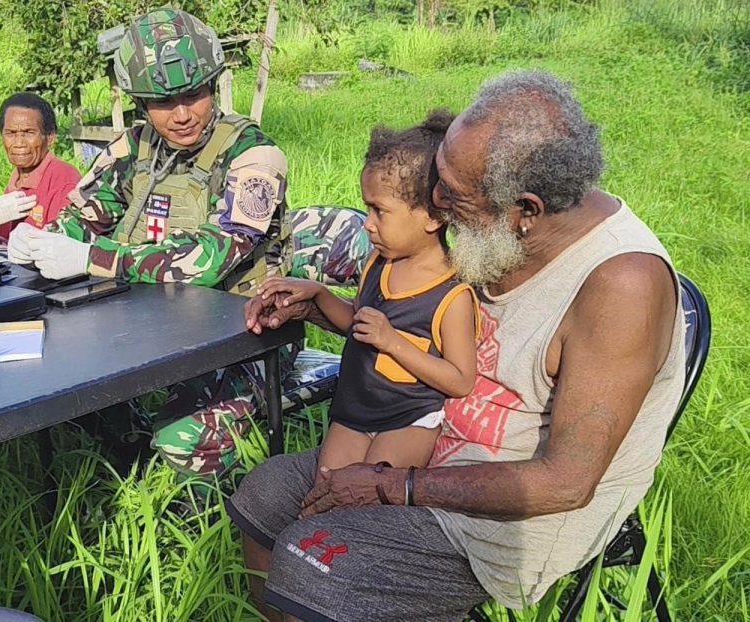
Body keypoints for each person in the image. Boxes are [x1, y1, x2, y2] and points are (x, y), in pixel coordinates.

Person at [230, 69, 685, 622]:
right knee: (265, 496)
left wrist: (397, 486)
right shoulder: (498, 232)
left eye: (454, 193)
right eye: (439, 178)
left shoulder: (622, 286)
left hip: (504, 514)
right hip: (423, 442)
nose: (437, 201)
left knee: (315, 564)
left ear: (526, 209)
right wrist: (318, 307)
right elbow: (411, 328)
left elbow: (565, 483)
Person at [6, 8, 293, 477]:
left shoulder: (254, 156)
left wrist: (92, 257)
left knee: (184, 437)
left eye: (194, 95)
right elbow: (85, 213)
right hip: (154, 322)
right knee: (71, 385)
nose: (181, 115)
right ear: (141, 102)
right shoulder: (133, 147)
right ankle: (134, 468)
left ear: (212, 85)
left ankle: (207, 513)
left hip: (246, 329)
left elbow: (211, 259)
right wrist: (44, 240)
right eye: (162, 102)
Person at [259, 111, 479, 481]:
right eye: (367, 207)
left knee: (370, 491)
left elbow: (460, 380)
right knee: (326, 488)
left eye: (380, 211)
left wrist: (393, 342)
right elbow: (357, 323)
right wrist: (318, 295)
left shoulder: (451, 295)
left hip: (408, 421)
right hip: (353, 414)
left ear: (433, 217)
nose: (368, 223)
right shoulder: (379, 263)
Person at [0, 93, 81, 243]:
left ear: (50, 137)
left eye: (29, 133)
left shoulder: (64, 181)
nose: (19, 143)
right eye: (11, 133)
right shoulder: (18, 177)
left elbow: (61, 245)